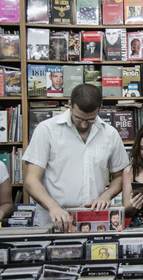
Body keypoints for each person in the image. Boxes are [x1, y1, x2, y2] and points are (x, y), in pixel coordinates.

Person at [22, 84, 129, 232]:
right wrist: (53, 207)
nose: (84, 124)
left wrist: (106, 195)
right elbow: (31, 180)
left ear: (100, 108)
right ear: (70, 105)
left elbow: (119, 176)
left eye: (90, 119)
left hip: (93, 222)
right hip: (52, 221)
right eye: (78, 118)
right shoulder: (47, 130)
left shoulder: (110, 134)